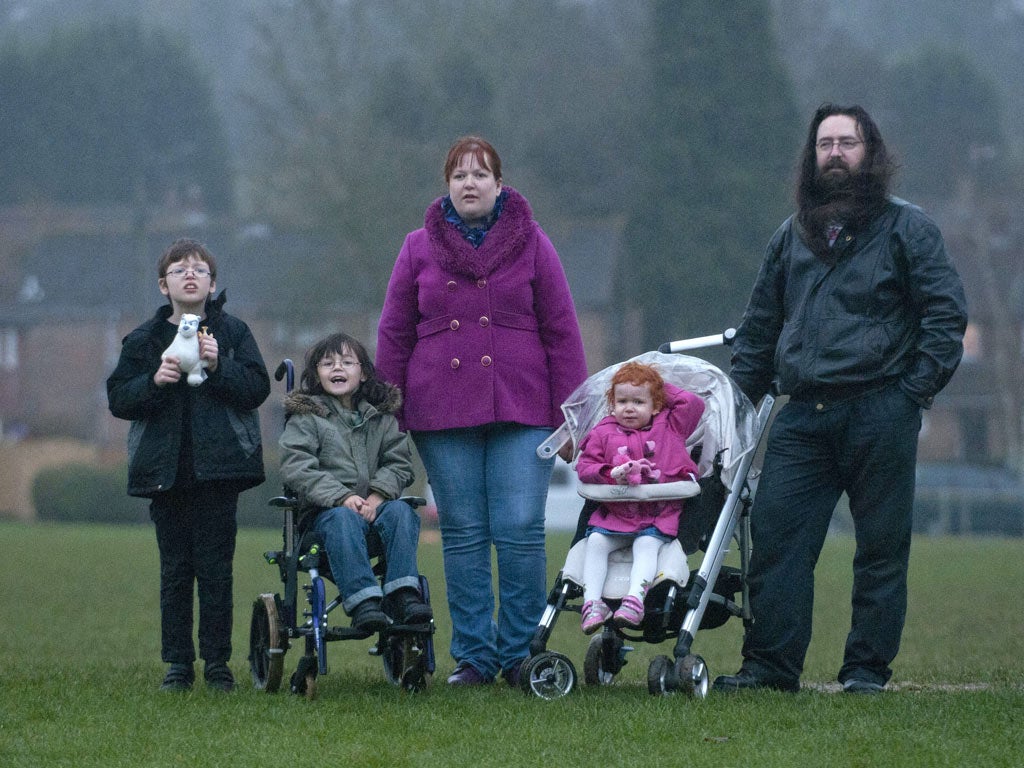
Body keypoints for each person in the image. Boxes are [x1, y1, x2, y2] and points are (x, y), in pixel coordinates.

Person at [715, 104, 968, 695]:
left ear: (870, 152)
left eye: (847, 142)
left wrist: (913, 393)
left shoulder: (909, 228)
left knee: (880, 551)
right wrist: (730, 412)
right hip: (802, 414)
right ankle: (769, 670)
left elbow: (946, 314)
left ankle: (864, 673)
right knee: (776, 542)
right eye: (824, 143)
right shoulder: (791, 235)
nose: (834, 152)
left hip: (881, 408)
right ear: (812, 156)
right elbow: (758, 333)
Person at [376, 136, 587, 686]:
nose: (469, 184)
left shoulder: (534, 243)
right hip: (440, 410)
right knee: (464, 532)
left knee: (520, 528)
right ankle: (475, 657)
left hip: (525, 405)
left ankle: (520, 654)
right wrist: (387, 411)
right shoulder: (417, 247)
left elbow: (562, 331)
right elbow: (394, 333)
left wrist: (573, 415)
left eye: (480, 175)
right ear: (447, 186)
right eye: (459, 176)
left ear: (499, 183)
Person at [106, 238, 271, 692]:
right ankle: (178, 665)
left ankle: (217, 665)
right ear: (164, 285)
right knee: (175, 570)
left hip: (219, 471)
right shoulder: (143, 339)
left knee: (217, 569)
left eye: (199, 269)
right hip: (165, 472)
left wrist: (220, 367)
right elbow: (119, 398)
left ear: (212, 283)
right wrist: (154, 381)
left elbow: (257, 388)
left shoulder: (233, 333)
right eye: (179, 270)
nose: (190, 274)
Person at [277, 333, 432, 632]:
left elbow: (399, 463)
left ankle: (402, 593)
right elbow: (297, 465)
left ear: (362, 374)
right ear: (316, 375)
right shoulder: (307, 419)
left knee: (402, 512)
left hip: (376, 513)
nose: (338, 368)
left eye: (347, 362)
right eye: (328, 363)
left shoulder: (382, 420)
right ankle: (363, 601)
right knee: (342, 519)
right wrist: (341, 496)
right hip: (325, 519)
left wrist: (377, 496)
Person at [574, 362, 705, 633]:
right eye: (621, 401)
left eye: (638, 402)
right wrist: (611, 474)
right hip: (617, 517)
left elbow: (692, 402)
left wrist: (653, 384)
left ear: (656, 405)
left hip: (656, 518)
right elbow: (585, 468)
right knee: (595, 542)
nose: (629, 408)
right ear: (612, 404)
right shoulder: (602, 432)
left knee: (646, 546)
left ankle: (634, 599)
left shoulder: (671, 427)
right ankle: (592, 603)